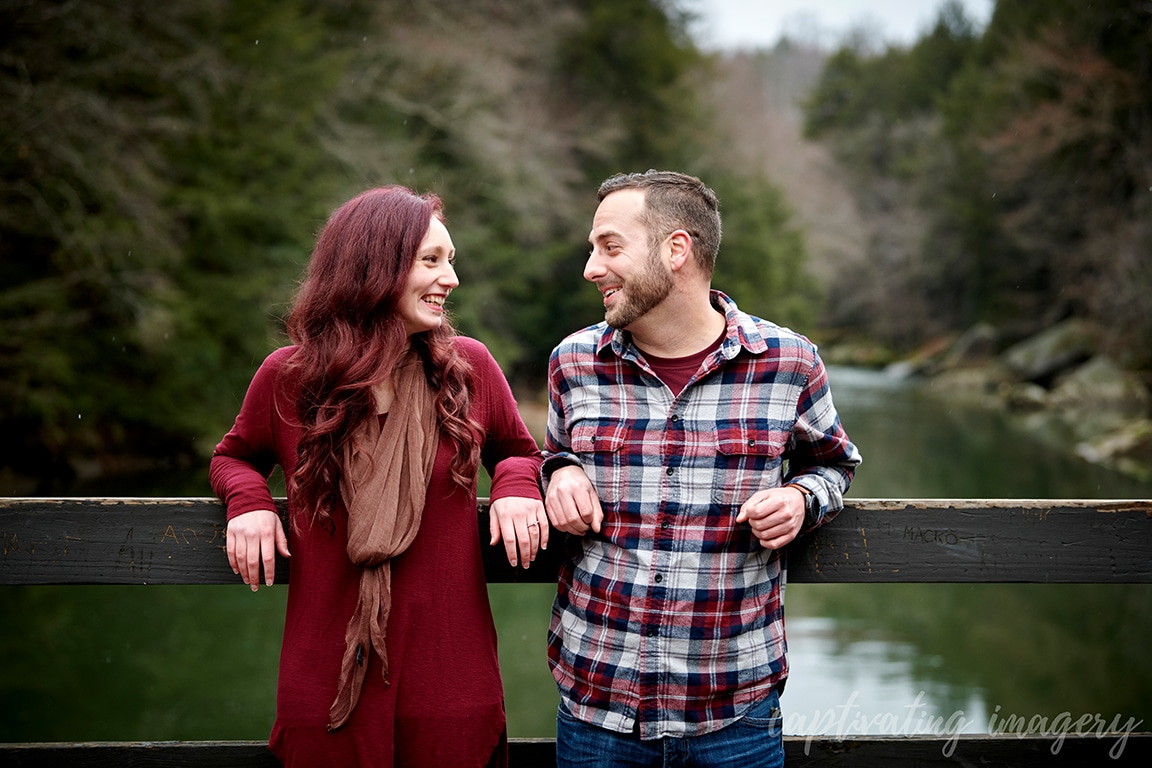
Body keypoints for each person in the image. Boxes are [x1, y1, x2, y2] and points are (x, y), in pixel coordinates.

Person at [210, 186, 547, 768]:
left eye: (452, 260)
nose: (452, 278)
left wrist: (516, 488)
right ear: (376, 265)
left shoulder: (469, 370)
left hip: (450, 683)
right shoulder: (289, 379)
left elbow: (521, 452)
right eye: (432, 260)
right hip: (326, 687)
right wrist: (250, 502)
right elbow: (233, 456)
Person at [542, 170, 862, 768]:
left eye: (610, 247)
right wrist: (558, 472)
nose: (590, 268)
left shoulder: (788, 362)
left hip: (734, 713)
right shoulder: (573, 362)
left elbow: (834, 466)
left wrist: (801, 499)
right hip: (595, 709)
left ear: (676, 249)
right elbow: (552, 453)